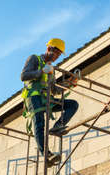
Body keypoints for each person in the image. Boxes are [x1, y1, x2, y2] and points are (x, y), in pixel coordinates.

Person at [21, 38, 79, 166]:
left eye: (59, 55)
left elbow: (54, 90)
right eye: (56, 53)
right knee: (39, 124)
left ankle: (57, 126)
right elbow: (23, 76)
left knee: (72, 105)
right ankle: (47, 155)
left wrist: (69, 84)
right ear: (49, 49)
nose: (56, 57)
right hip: (34, 97)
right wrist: (41, 72)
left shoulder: (51, 69)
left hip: (47, 100)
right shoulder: (34, 59)